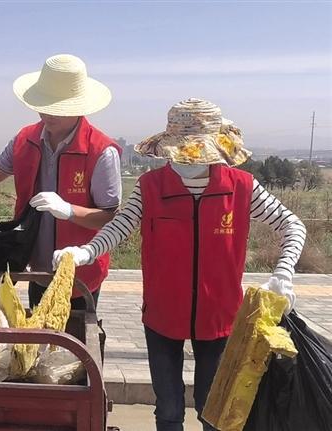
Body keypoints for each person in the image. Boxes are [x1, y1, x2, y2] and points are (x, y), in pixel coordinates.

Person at [53, 98, 306, 431]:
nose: (189, 160)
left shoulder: (241, 188)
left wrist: (283, 273)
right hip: (162, 315)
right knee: (169, 408)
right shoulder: (151, 187)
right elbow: (119, 228)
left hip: (220, 317)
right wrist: (84, 253)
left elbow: (292, 226)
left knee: (212, 408)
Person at [0, 54, 122, 309]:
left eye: (57, 109)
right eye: (44, 105)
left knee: (75, 330)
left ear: (78, 107)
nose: (48, 114)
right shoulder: (25, 139)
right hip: (36, 267)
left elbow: (109, 216)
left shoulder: (100, 151)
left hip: (79, 272)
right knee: (37, 330)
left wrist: (69, 211)